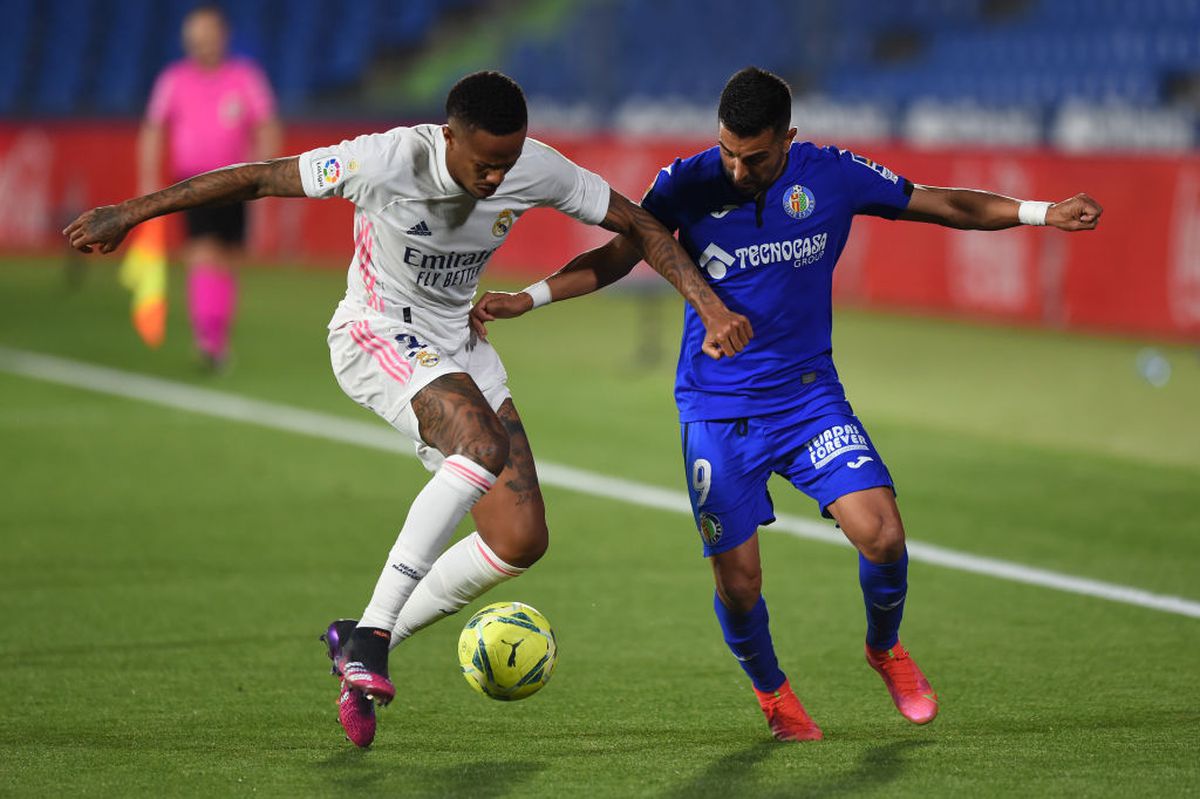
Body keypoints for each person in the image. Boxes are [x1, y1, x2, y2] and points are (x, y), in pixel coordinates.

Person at [64, 71, 753, 748]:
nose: (495, 179)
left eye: (507, 163)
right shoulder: (384, 158)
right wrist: (130, 211)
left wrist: (710, 304)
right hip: (377, 332)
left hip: (458, 341)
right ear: (448, 135)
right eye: (484, 163)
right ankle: (371, 638)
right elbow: (256, 176)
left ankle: (363, 636)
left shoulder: (533, 167)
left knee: (519, 539)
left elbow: (637, 224)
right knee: (480, 448)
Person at [471, 66, 1103, 742]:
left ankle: (884, 648)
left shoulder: (830, 175)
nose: (739, 169)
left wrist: (1042, 213)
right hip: (716, 410)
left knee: (883, 534)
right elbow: (619, 257)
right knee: (740, 582)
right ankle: (773, 693)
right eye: (729, 152)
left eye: (756, 156)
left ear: (788, 139)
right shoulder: (687, 183)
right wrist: (528, 298)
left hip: (808, 398)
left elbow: (942, 204)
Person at [139, 4, 281, 368]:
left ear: (222, 35)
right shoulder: (174, 79)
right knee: (201, 253)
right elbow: (154, 129)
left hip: (237, 179)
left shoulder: (245, 77)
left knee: (228, 260)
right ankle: (208, 340)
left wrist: (268, 174)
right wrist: (149, 177)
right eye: (194, 35)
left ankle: (217, 339)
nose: (201, 42)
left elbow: (266, 125)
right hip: (193, 180)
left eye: (207, 34)